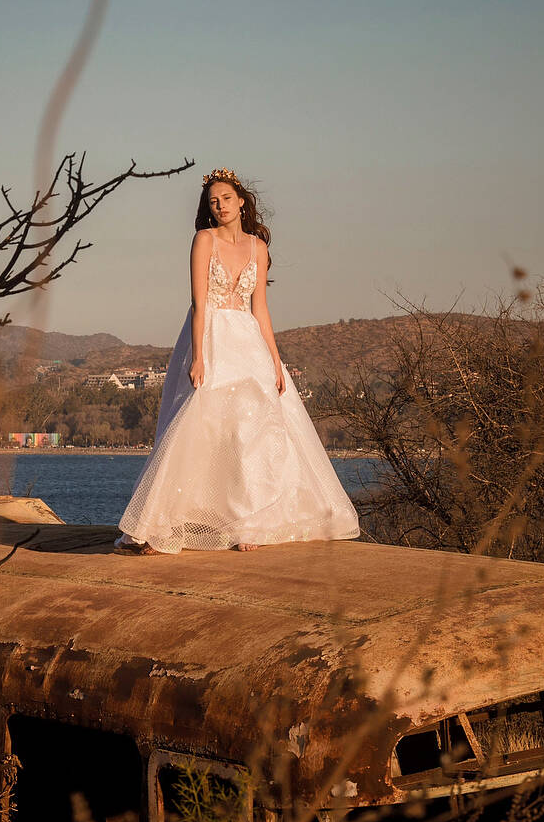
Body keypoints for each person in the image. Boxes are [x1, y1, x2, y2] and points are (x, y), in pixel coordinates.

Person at [113, 168, 361, 554]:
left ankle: (250, 525)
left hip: (248, 342)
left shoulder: (257, 248)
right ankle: (165, 524)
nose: (220, 206)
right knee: (199, 427)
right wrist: (198, 357)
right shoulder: (203, 240)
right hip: (209, 336)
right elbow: (199, 303)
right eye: (213, 201)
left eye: (226, 198)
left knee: (253, 430)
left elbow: (260, 308)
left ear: (241, 201)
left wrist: (276, 361)